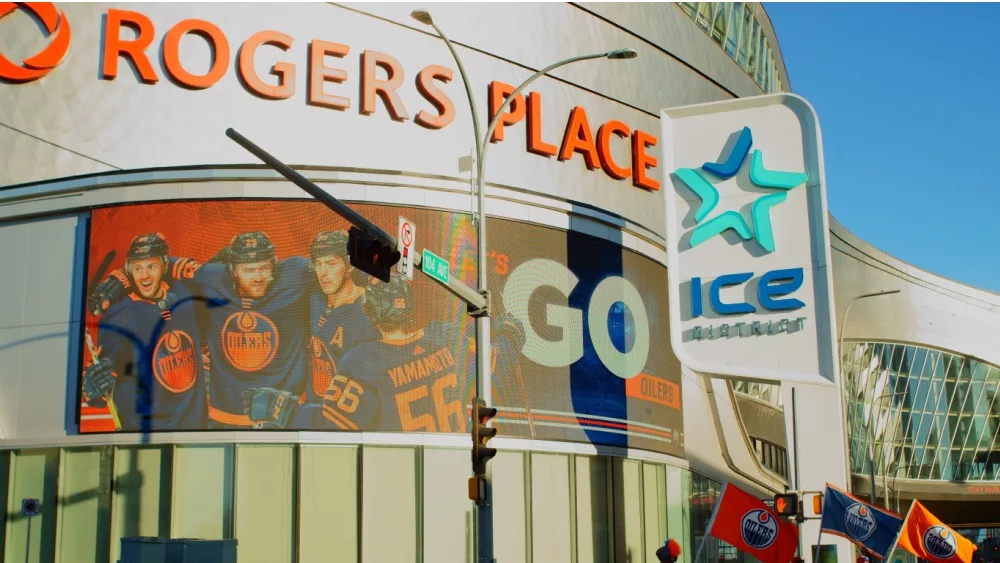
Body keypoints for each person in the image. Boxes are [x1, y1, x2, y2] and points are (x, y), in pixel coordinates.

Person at [242, 272, 527, 431]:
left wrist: (279, 407)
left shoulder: (363, 361)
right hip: (450, 464)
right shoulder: (447, 338)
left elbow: (330, 424)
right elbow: (500, 352)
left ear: (371, 313)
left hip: (398, 474)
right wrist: (510, 330)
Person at [90, 231, 314, 429]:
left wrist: (127, 275)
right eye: (248, 270)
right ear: (233, 270)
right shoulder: (211, 277)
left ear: (275, 264)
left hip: (284, 416)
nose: (257, 277)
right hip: (226, 419)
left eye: (264, 268)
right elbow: (160, 267)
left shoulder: (296, 274)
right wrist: (123, 276)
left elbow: (335, 265)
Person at [82, 233, 209, 431]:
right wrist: (94, 387)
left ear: (164, 266)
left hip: (195, 425)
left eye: (152, 266)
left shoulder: (185, 294)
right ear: (129, 269)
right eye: (137, 268)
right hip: (147, 431)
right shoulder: (120, 315)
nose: (144, 276)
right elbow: (107, 366)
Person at [304, 231, 378, 402]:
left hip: (345, 412)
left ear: (349, 266)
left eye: (331, 263)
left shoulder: (368, 310)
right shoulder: (316, 299)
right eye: (318, 264)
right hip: (315, 407)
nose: (323, 273)